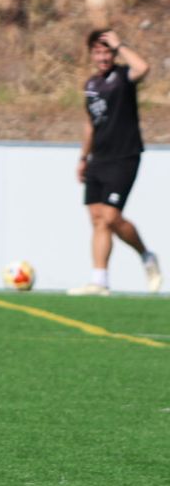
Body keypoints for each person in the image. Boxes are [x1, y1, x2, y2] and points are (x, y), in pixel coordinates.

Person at [69, 28, 161, 296]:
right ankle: (99, 280)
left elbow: (143, 67)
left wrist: (119, 44)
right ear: (91, 55)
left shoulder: (123, 77)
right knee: (98, 219)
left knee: (110, 217)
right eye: (97, 52)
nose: (102, 56)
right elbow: (90, 125)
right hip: (98, 158)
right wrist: (83, 158)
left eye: (106, 51)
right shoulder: (91, 85)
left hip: (124, 157)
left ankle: (146, 255)